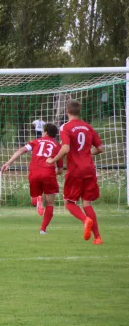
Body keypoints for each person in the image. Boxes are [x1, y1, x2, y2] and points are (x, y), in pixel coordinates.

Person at [47, 100, 104, 245]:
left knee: (69, 202)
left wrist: (52, 160)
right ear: (79, 111)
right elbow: (100, 148)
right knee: (87, 203)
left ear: (67, 111)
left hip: (76, 171)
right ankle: (97, 238)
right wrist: (86, 153)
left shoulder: (65, 127)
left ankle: (86, 220)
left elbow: (65, 148)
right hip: (90, 169)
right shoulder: (88, 127)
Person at [1, 123, 63, 234]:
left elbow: (20, 151)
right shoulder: (58, 147)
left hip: (34, 173)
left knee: (36, 194)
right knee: (49, 204)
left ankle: (37, 199)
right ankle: (43, 229)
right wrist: (50, 172)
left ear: (45, 132)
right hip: (48, 173)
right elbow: (59, 170)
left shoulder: (36, 142)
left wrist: (8, 163)